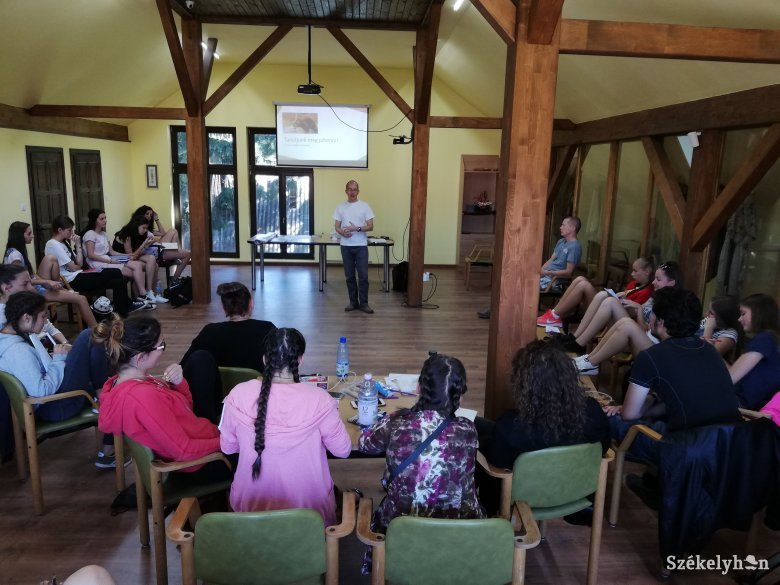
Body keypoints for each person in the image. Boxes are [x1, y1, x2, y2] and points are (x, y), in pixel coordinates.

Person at [358, 354, 484, 572]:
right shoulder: (467, 429)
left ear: (418, 388)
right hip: (460, 529)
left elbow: (364, 444)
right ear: (460, 395)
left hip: (401, 528)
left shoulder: (397, 421)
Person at [219, 328, 351, 524]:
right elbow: (343, 450)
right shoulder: (320, 400)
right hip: (310, 514)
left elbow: (228, 447)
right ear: (301, 359)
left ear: (264, 360)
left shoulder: (237, 394)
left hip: (248, 509)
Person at [603, 287, 741, 466]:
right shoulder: (710, 350)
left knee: (605, 418)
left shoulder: (651, 356)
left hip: (683, 449)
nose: (649, 319)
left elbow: (629, 415)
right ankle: (652, 483)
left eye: (651, 314)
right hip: (728, 444)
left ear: (660, 322)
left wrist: (625, 409)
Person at [477, 340, 610, 517]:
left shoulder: (512, 426)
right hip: (574, 491)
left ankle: (485, 516)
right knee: (480, 425)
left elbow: (497, 465)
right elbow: (605, 447)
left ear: (524, 384)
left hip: (523, 498)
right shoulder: (593, 413)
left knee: (479, 445)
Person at [95, 313, 230, 483]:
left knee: (200, 360)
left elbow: (184, 410)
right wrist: (230, 440)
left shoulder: (124, 382)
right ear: (140, 358)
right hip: (201, 462)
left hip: (202, 441)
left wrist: (179, 384)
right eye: (161, 346)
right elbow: (184, 451)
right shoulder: (143, 397)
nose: (163, 350)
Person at [0, 291, 118, 466]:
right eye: (43, 317)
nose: (45, 321)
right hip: (55, 406)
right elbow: (41, 391)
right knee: (88, 337)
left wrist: (60, 358)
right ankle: (102, 402)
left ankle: (102, 398)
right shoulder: (17, 351)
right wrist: (58, 359)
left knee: (111, 386)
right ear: (26, 318)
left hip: (51, 400)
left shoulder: (12, 337)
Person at [559, 260, 683, 365]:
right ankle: (578, 343)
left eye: (658, 279)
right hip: (637, 331)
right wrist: (625, 302)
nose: (653, 282)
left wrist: (639, 309)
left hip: (647, 343)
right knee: (609, 300)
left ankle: (586, 356)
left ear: (672, 282)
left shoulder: (671, 305)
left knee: (623, 318)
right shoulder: (655, 297)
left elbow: (646, 329)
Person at [478, 215, 582, 319]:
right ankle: (496, 310)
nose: (560, 227)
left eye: (563, 225)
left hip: (554, 281)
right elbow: (551, 260)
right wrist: (541, 270)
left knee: (520, 285)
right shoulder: (561, 242)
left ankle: (503, 313)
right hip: (545, 276)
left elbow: (568, 272)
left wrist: (548, 273)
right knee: (511, 279)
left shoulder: (574, 247)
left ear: (572, 228)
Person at [44, 215, 144, 316]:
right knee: (116, 272)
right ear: (60, 230)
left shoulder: (64, 243)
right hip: (71, 280)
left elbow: (80, 264)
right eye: (69, 230)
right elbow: (74, 267)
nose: (72, 233)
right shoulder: (53, 244)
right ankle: (118, 308)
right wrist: (77, 266)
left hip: (79, 274)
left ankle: (123, 310)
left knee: (119, 281)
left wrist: (78, 246)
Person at [5, 221, 97, 328]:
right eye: (29, 233)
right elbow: (23, 282)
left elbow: (31, 276)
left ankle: (58, 288)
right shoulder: (15, 256)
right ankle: (97, 330)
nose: (33, 236)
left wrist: (49, 283)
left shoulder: (15, 252)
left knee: (51, 258)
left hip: (35, 286)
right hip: (29, 292)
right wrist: (46, 281)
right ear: (19, 236)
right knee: (81, 299)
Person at [181, 282, 275, 371]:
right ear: (251, 303)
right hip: (260, 387)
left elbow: (183, 366)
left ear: (223, 307)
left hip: (220, 388)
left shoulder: (209, 332)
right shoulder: (268, 329)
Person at [82, 209, 167, 307]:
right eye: (102, 219)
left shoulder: (104, 234)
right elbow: (91, 255)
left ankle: (144, 296)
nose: (105, 220)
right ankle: (143, 296)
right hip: (97, 264)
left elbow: (111, 252)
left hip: (108, 259)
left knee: (138, 267)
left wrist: (127, 256)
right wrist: (110, 260)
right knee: (136, 270)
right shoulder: (90, 234)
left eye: (105, 218)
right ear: (94, 220)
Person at [537, 257, 655, 328]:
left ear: (647, 272)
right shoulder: (634, 284)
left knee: (583, 284)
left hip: (610, 317)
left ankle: (555, 316)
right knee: (580, 279)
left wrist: (619, 299)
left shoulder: (647, 292)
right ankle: (554, 314)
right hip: (607, 309)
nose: (632, 274)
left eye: (635, 271)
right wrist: (618, 295)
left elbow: (631, 312)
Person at [729, 293, 780, 410]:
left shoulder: (764, 339)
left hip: (743, 407)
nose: (739, 319)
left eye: (743, 313)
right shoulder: (772, 339)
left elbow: (730, 378)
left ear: (758, 313)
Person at [333, 180, 375, 314]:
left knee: (363, 276)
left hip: (361, 246)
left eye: (354, 189)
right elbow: (337, 227)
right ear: (346, 191)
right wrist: (342, 233)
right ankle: (353, 302)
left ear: (358, 191)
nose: (352, 192)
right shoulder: (340, 207)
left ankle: (364, 303)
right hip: (346, 246)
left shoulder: (365, 206)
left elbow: (371, 226)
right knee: (349, 276)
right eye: (349, 189)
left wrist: (356, 228)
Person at [132, 206, 192, 281]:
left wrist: (156, 219)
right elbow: (140, 247)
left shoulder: (147, 229)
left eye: (150, 215)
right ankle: (175, 277)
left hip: (157, 247)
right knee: (186, 251)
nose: (149, 216)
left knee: (174, 231)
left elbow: (162, 233)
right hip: (155, 250)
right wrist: (152, 241)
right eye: (147, 214)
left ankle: (175, 274)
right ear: (141, 214)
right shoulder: (138, 228)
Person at [698, 295, 742, 362]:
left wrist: (709, 329)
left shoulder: (730, 334)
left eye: (711, 313)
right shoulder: (707, 320)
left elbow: (708, 357)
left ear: (724, 317)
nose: (706, 314)